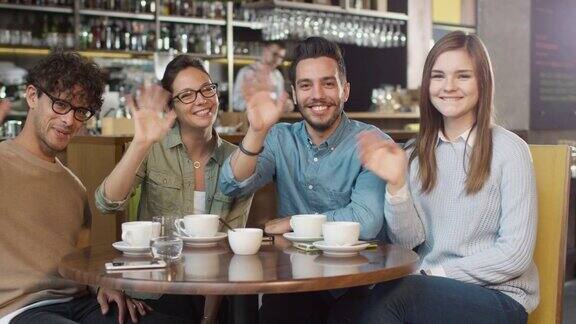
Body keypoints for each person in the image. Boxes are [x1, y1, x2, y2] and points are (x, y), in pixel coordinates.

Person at [331, 31, 539, 324]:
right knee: (343, 305)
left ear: (483, 82)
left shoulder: (509, 150)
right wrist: (397, 185)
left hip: (499, 297)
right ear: (427, 84)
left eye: (463, 76)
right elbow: (410, 242)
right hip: (426, 288)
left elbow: (514, 254)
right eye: (438, 76)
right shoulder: (417, 152)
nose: (449, 86)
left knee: (398, 297)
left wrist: (435, 274)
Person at [0, 51, 185, 324]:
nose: (69, 120)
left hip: (82, 302)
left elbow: (80, 260)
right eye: (61, 105)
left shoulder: (73, 186)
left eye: (80, 111)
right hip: (22, 309)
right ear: (31, 96)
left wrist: (102, 284)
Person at [220, 36, 392, 323]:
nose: (317, 95)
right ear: (294, 94)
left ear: (345, 90)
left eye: (328, 83)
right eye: (305, 85)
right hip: (295, 279)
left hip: (357, 283)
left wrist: (292, 222)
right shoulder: (279, 139)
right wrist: (256, 131)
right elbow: (231, 184)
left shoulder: (373, 143)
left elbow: (366, 220)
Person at [95, 54, 253, 323]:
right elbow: (106, 203)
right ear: (172, 106)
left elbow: (228, 245)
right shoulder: (153, 148)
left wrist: (208, 317)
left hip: (213, 291)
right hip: (155, 291)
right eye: (187, 95)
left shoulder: (238, 159)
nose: (202, 100)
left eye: (207, 89)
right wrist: (140, 142)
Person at [232, 41, 293, 112]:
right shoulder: (246, 72)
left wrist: (286, 105)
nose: (277, 60)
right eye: (275, 54)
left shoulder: (278, 76)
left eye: (281, 57)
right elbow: (235, 102)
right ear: (265, 50)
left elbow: (279, 101)